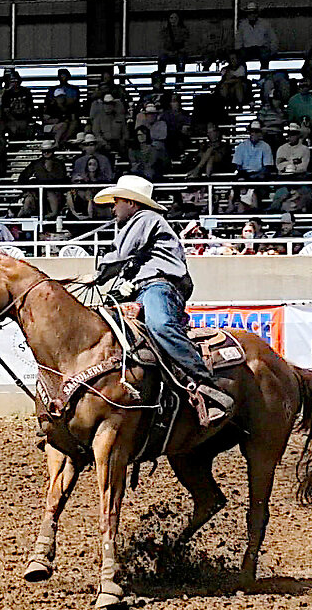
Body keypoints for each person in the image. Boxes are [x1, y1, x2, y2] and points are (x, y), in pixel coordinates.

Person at [81, 175, 234, 425]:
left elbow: (121, 255)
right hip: (138, 290)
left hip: (159, 287)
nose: (113, 207)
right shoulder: (139, 223)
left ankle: (208, 386)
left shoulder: (145, 218)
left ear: (132, 203)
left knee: (161, 326)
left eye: (116, 201)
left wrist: (98, 276)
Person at [235, 1, 277, 70]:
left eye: (254, 12)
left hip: (262, 49)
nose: (252, 15)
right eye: (250, 13)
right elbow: (238, 41)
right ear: (247, 14)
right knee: (239, 58)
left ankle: (264, 77)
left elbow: (273, 39)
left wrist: (272, 51)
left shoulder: (265, 24)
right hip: (247, 49)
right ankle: (242, 76)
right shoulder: (242, 25)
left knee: (265, 55)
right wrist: (238, 52)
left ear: (257, 13)